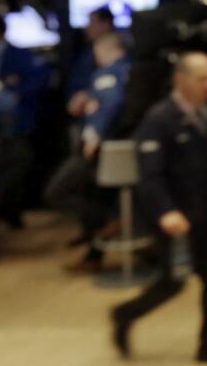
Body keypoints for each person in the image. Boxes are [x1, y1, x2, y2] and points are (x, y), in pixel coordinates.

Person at [110, 52, 207, 364]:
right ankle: (124, 314)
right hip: (177, 219)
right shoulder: (158, 120)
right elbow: (150, 175)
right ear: (180, 80)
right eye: (202, 79)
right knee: (172, 283)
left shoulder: (202, 113)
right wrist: (165, 211)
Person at [47, 32, 131, 273]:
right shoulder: (130, 70)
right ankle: (95, 248)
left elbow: (110, 103)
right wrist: (88, 97)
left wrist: (94, 136)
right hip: (118, 151)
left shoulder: (107, 74)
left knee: (56, 192)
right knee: (95, 197)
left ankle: (106, 221)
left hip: (98, 151)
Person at [0, 14, 46, 227]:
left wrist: (15, 93)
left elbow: (39, 79)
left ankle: (5, 213)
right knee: (14, 159)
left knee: (18, 157)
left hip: (8, 124)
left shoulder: (19, 55)